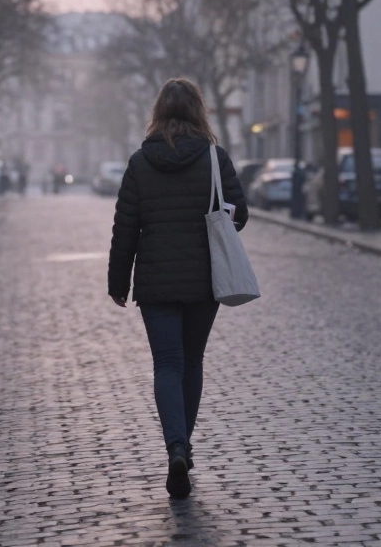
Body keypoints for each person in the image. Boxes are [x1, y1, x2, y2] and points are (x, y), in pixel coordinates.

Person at [107, 77, 249, 499]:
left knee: (167, 363)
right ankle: (183, 446)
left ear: (158, 112)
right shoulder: (213, 157)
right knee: (192, 360)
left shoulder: (139, 162)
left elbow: (125, 227)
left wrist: (118, 282)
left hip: (156, 281)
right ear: (198, 110)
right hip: (205, 279)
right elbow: (240, 213)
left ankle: (175, 448)